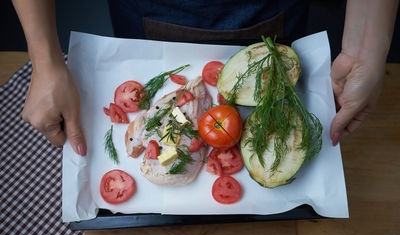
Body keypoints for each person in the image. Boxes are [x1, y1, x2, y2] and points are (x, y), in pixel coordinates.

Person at [11, 0, 399, 156]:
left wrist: (366, 48)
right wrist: (44, 59)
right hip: (150, 5)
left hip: (269, 5)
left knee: (280, 71)